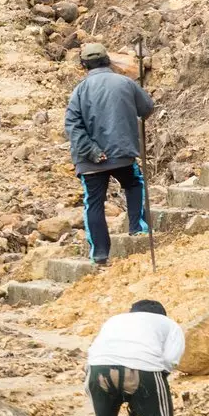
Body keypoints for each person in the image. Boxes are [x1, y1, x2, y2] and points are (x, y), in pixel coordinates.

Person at [65, 43, 155, 265]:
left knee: (94, 203)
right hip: (122, 153)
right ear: (107, 60)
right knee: (134, 183)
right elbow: (147, 108)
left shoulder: (79, 91)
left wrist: (92, 152)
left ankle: (100, 254)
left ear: (84, 65)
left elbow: (72, 126)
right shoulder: (125, 83)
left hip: (90, 162)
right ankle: (137, 227)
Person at [86, 300, 184, 416]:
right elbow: (170, 362)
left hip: (98, 371)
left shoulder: (114, 320)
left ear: (131, 312)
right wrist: (148, 395)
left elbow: (94, 353)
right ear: (162, 315)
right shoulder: (169, 325)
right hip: (142, 369)